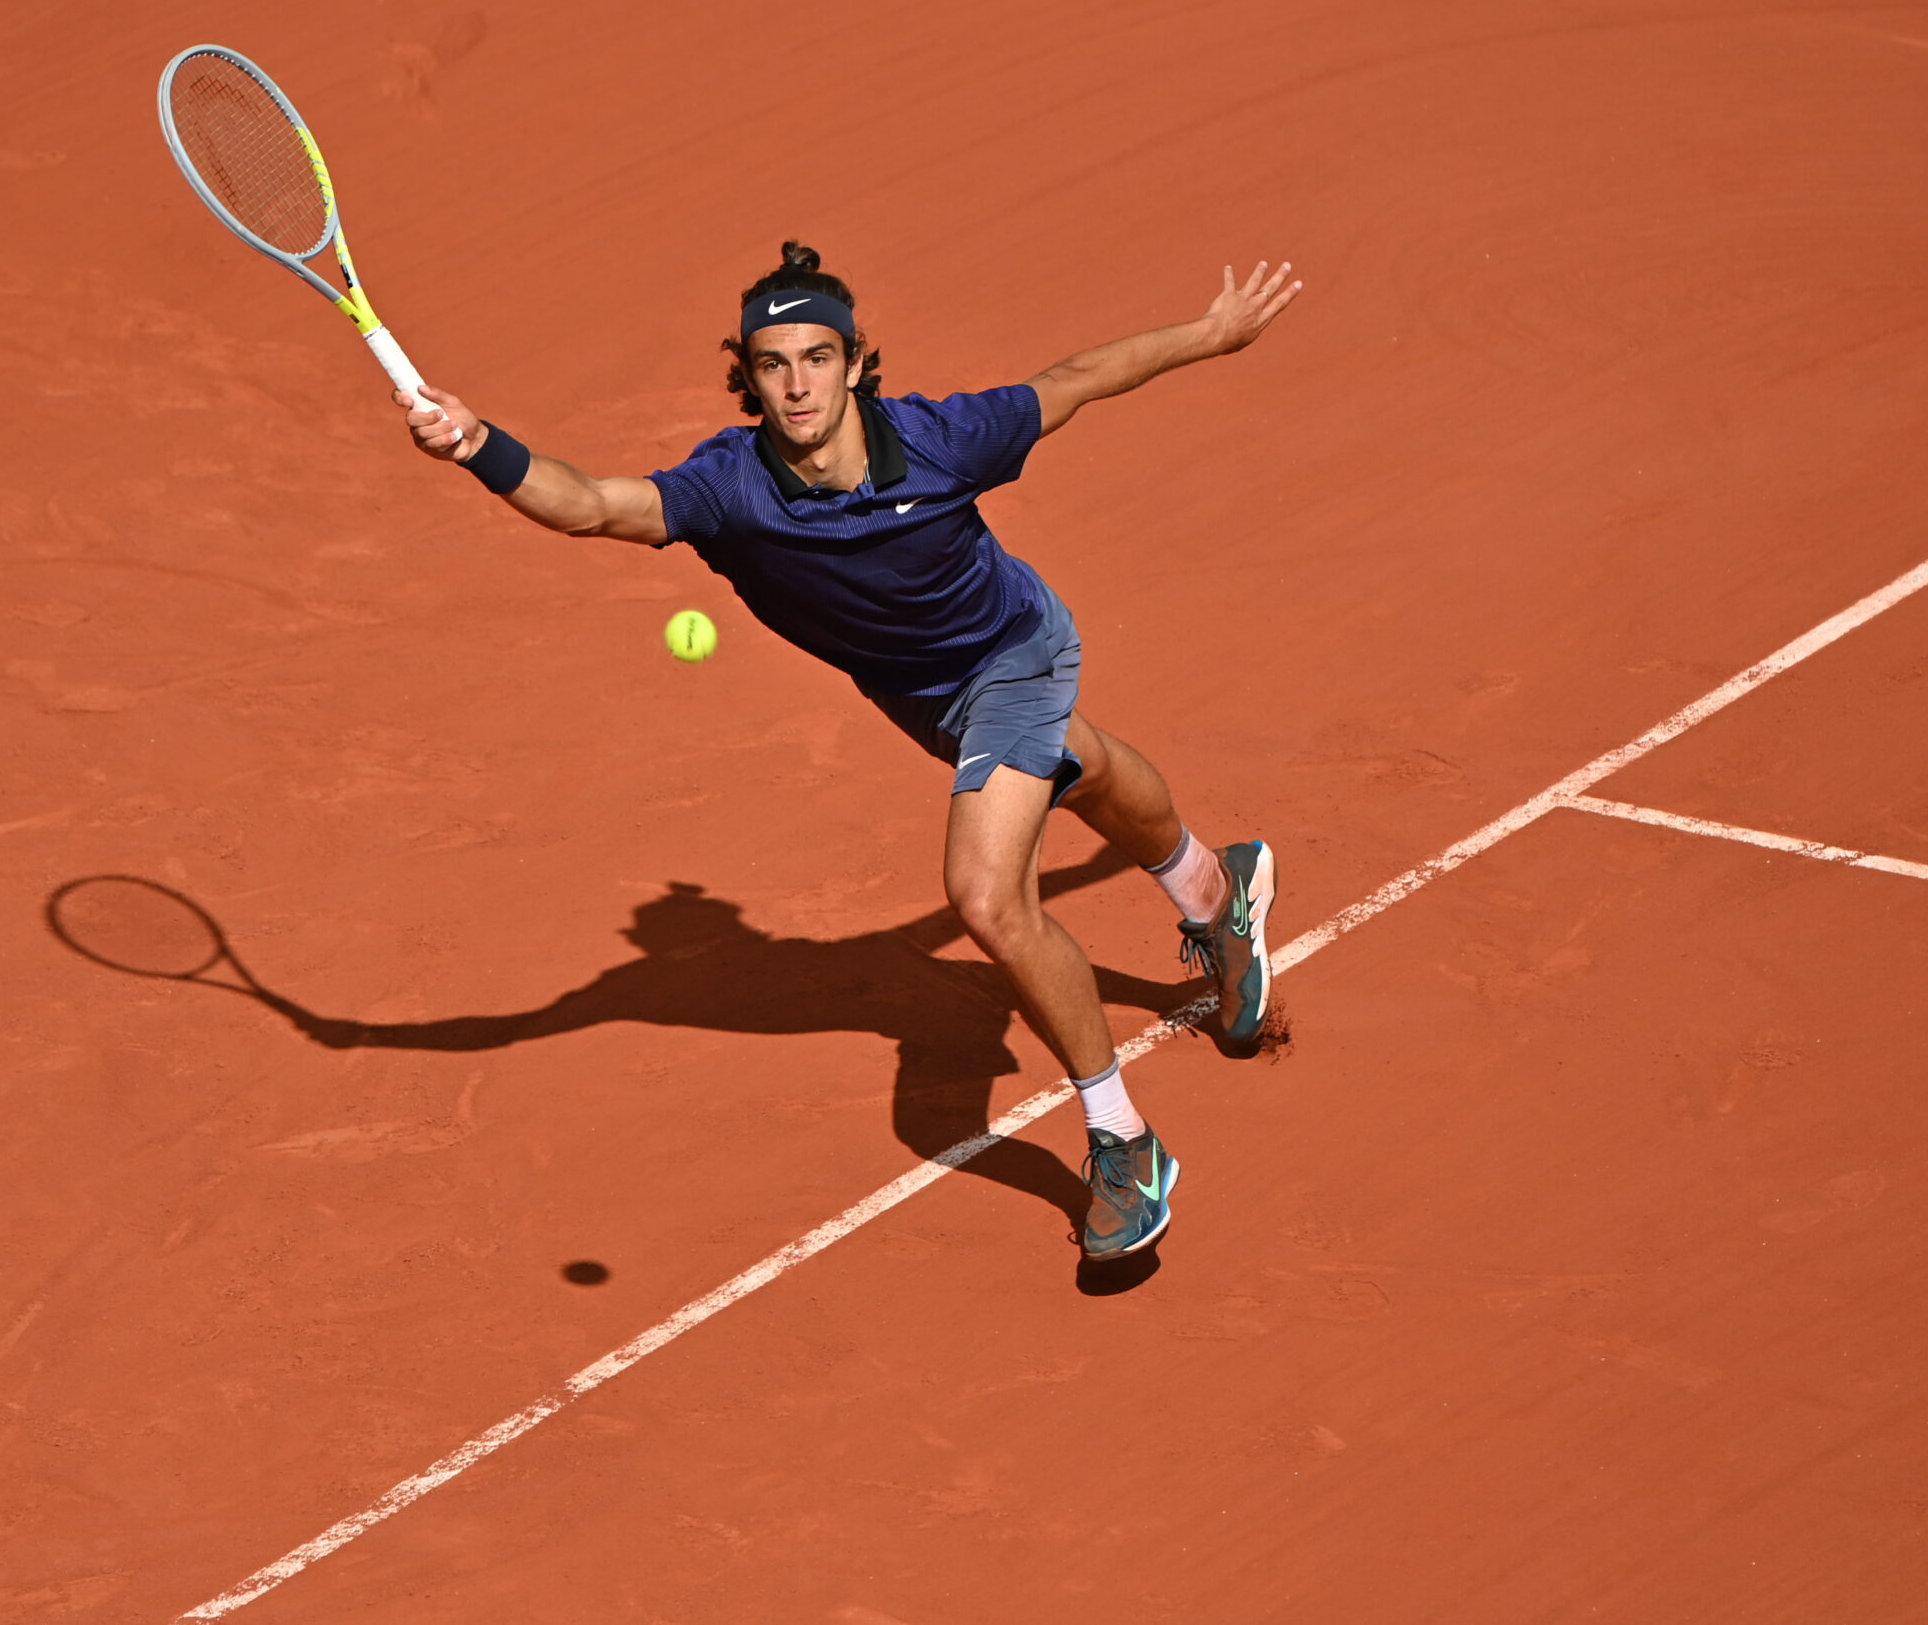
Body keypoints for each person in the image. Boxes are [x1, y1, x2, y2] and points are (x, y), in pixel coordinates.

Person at [399, 243, 1301, 1259]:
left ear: (856, 362)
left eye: (817, 358)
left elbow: (1078, 378)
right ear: (748, 378)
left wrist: (1210, 334)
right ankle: (1213, 889)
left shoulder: (940, 439)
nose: (797, 385)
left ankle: (1123, 1141)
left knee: (987, 898)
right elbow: (595, 504)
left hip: (1014, 651)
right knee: (1076, 769)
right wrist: (477, 444)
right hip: (916, 694)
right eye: (773, 363)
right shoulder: (729, 488)